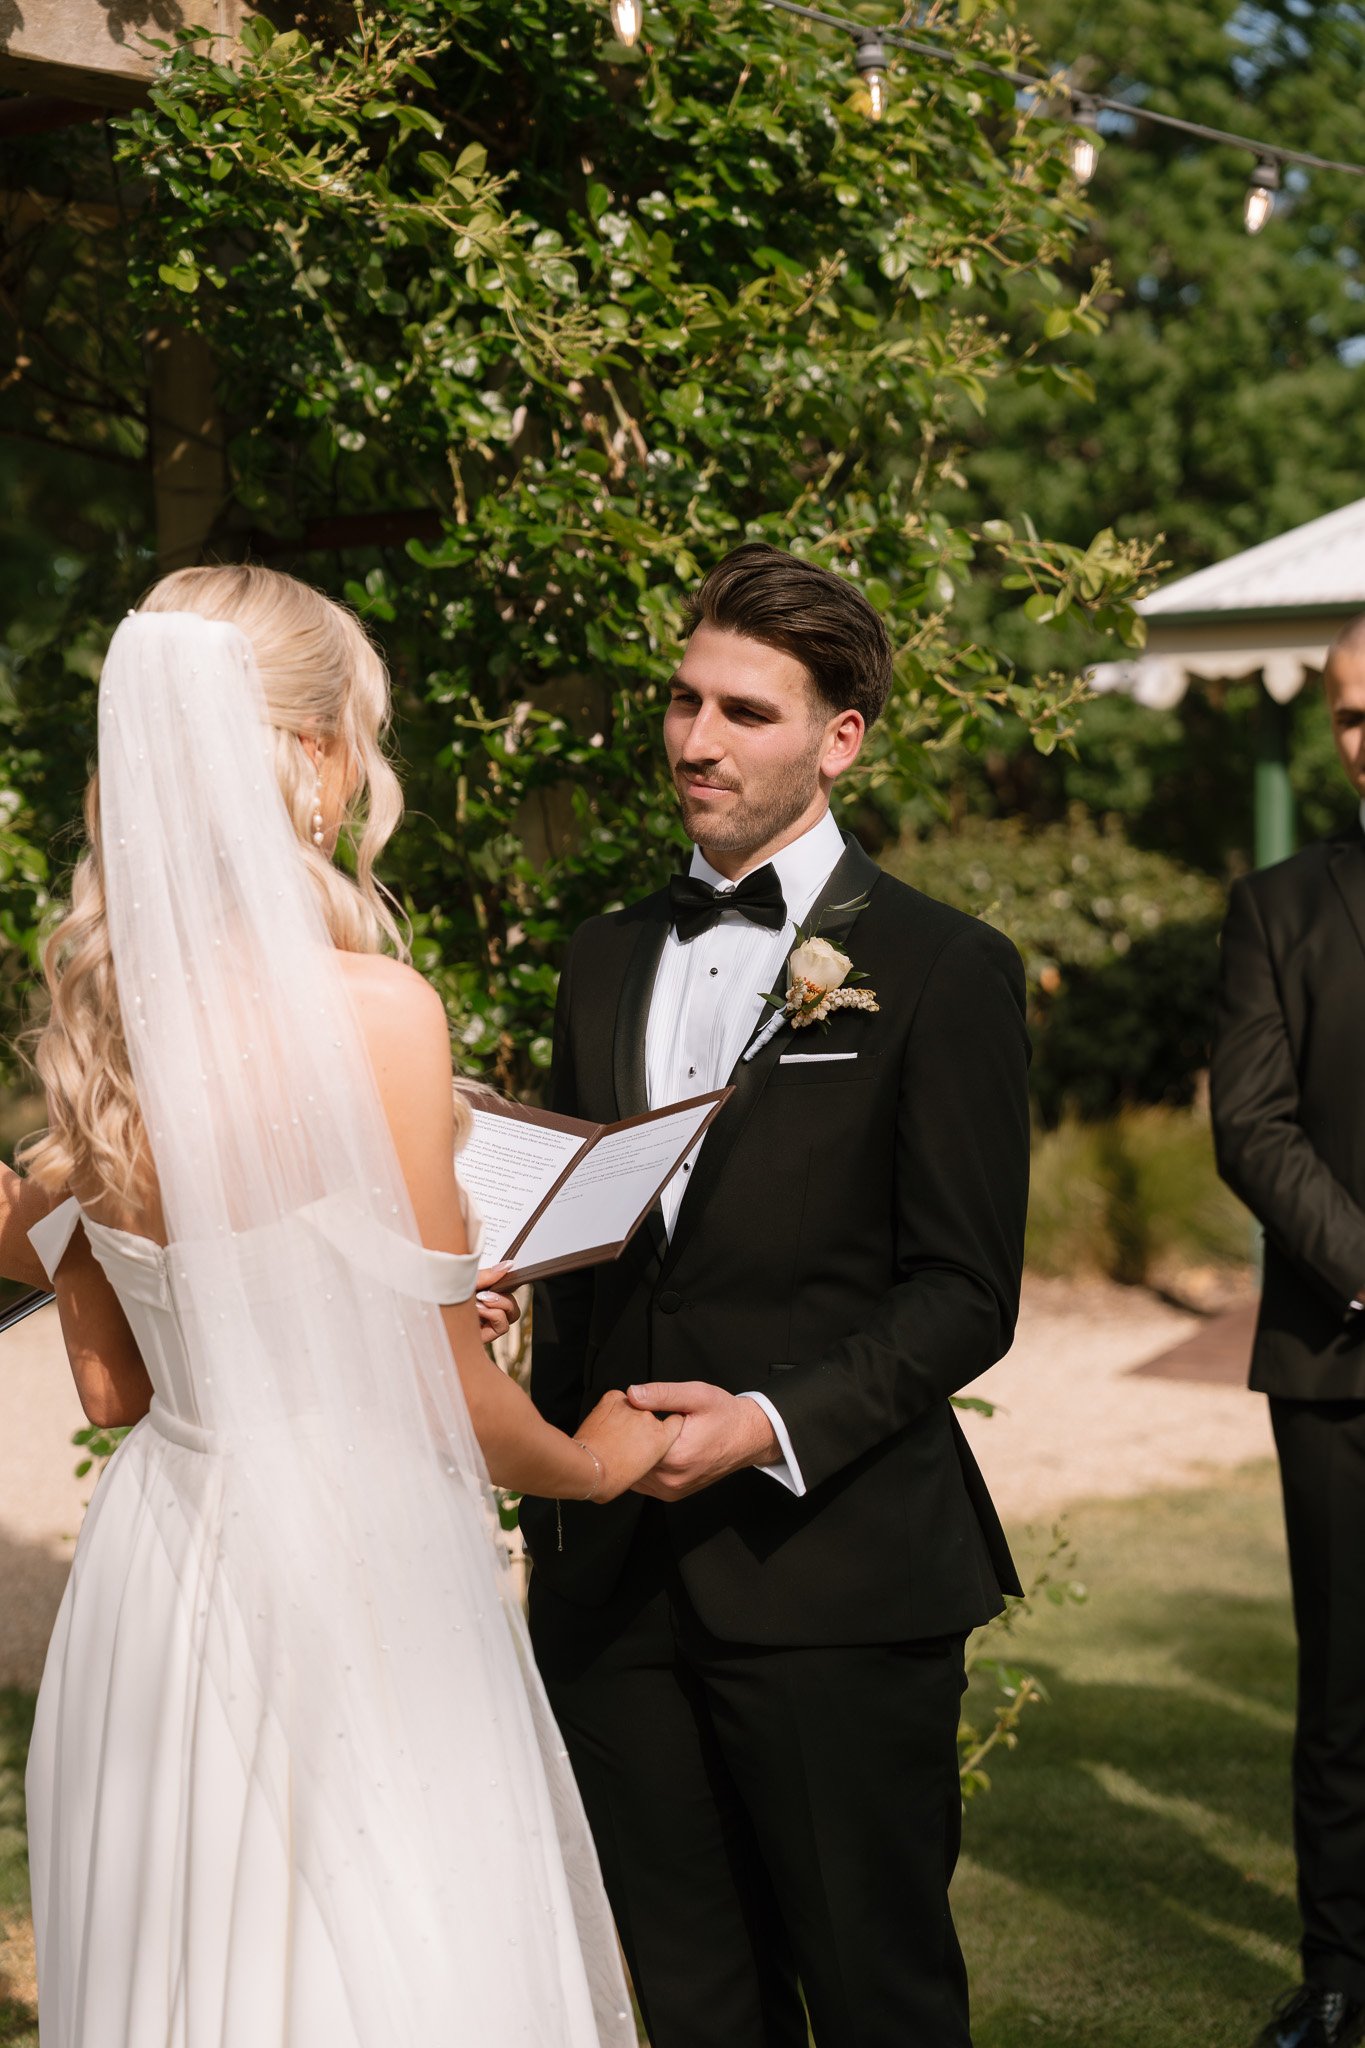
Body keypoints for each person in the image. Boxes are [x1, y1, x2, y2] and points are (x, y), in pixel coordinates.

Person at [15, 564, 678, 2048]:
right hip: (349, 1567)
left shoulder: (99, 1042)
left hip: (162, 1581)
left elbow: (116, 1392)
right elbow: (447, 1390)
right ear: (309, 756)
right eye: (357, 739)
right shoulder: (376, 1015)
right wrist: (598, 1457)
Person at [521, 543, 1032, 2048]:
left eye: (745, 711)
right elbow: (584, 1244)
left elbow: (964, 1291)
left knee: (876, 2001)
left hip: (834, 1578)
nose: (694, 741)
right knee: (690, 2008)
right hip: (610, 1581)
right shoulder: (600, 958)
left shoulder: (944, 970)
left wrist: (762, 1424)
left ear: (839, 737)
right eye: (683, 702)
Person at [1212, 615, 1365, 2048]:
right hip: (1341, 1359)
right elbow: (1249, 1128)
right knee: (1344, 1691)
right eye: (1349, 716)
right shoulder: (1278, 907)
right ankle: (1336, 1980)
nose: (1364, 739)